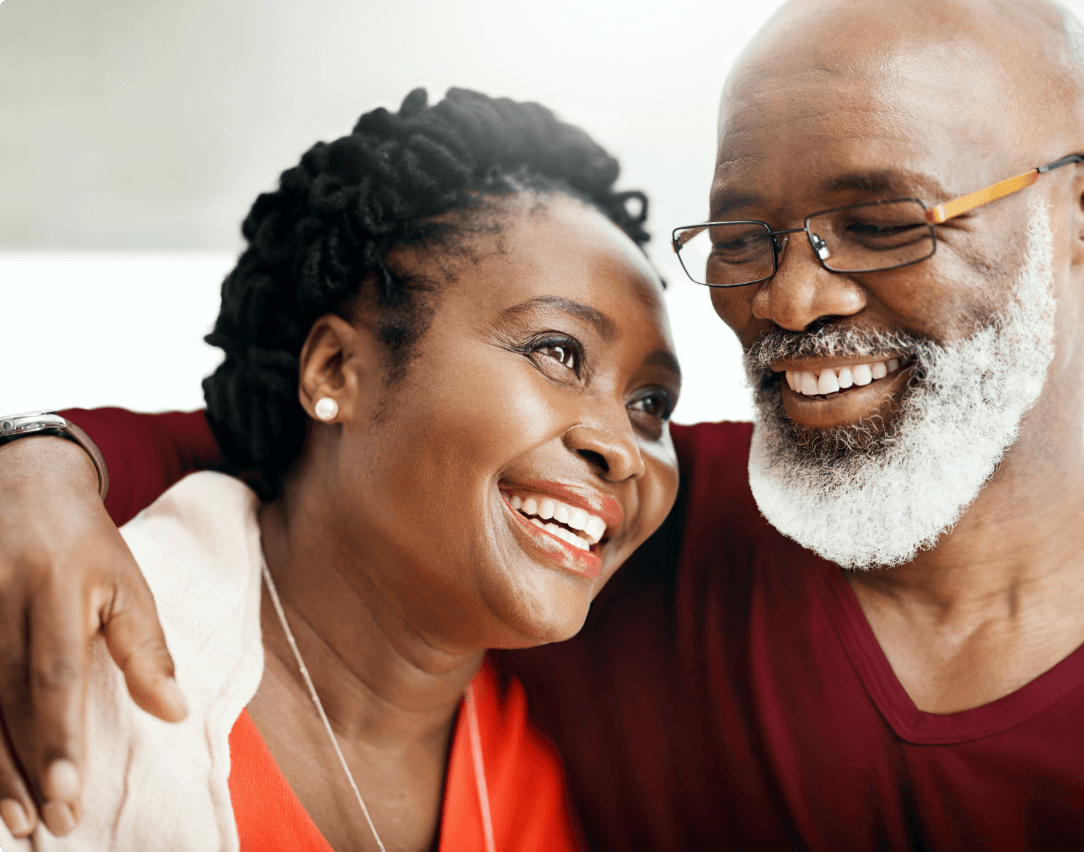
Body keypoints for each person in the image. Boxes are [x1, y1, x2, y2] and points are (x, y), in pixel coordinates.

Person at [3, 0, 1084, 848]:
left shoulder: (615, 532)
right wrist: (39, 466)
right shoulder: (666, 530)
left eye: (884, 222)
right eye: (744, 237)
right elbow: (301, 463)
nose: (791, 301)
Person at [0, 87, 683, 850]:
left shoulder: (527, 783)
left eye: (651, 402)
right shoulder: (59, 646)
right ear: (335, 371)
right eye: (557, 352)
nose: (623, 447)